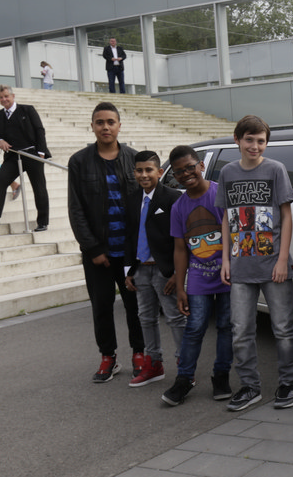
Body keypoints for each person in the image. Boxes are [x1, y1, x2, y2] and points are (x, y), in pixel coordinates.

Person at [217, 115, 293, 412]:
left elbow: (286, 216)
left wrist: (282, 260)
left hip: (274, 265)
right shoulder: (227, 172)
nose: (255, 145)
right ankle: (249, 386)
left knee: (284, 329)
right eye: (249, 139)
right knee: (241, 331)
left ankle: (289, 383)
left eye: (261, 141)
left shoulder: (275, 169)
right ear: (237, 140)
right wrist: (225, 260)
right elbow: (226, 219)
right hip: (240, 267)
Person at [67, 103, 144, 383]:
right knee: (101, 307)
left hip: (129, 254)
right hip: (98, 254)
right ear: (92, 126)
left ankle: (140, 354)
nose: (106, 127)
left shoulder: (134, 159)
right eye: (100, 122)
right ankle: (108, 357)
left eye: (111, 122)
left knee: (135, 307)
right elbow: (76, 209)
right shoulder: (79, 161)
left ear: (119, 125)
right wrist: (93, 248)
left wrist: (140, 250)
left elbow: (142, 206)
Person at [161, 146, 233, 406]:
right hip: (199, 279)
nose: (186, 174)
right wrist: (181, 287)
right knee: (194, 328)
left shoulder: (220, 194)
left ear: (201, 165)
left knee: (226, 326)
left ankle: (221, 376)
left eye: (190, 167)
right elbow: (180, 249)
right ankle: (184, 379)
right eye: (179, 172)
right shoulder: (179, 207)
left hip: (227, 275)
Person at [123, 151, 186, 388]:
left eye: (149, 170)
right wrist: (129, 270)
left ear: (159, 172)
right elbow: (129, 235)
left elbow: (181, 238)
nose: (144, 175)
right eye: (139, 170)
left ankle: (185, 366)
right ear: (134, 173)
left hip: (165, 270)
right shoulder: (131, 199)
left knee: (175, 317)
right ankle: (154, 363)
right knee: (146, 318)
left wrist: (177, 273)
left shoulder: (173, 198)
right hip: (141, 269)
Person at [0, 85, 49, 230]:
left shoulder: (27, 110)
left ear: (13, 96)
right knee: (0, 180)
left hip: (32, 154)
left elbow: (39, 130)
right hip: (13, 157)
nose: (4, 99)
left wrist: (41, 153)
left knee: (39, 188)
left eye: (6, 96)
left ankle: (43, 222)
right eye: (1, 97)